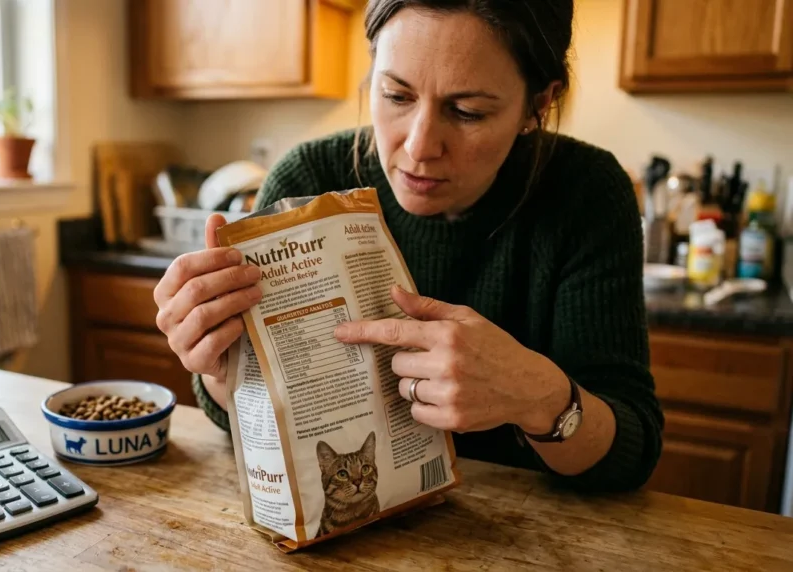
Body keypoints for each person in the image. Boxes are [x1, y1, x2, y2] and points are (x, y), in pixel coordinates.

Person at [153, 0, 663, 492]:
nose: (419, 147)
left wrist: (537, 395)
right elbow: (255, 426)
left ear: (539, 104)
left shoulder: (587, 193)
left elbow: (628, 453)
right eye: (396, 96)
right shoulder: (308, 182)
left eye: (467, 112)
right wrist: (227, 370)